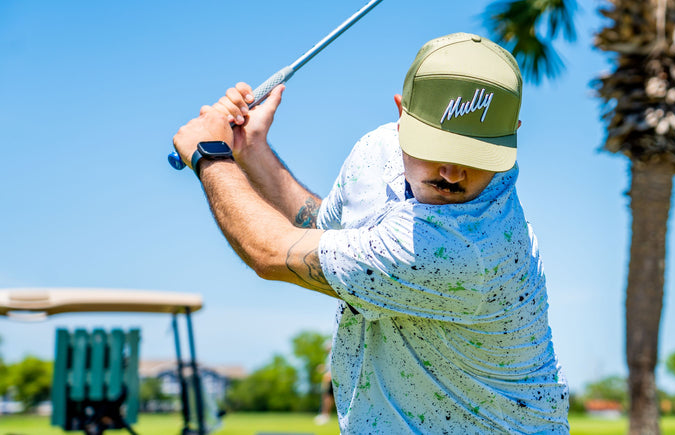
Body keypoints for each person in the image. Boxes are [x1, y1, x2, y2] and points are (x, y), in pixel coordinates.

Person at [172, 32, 569, 434]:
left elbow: (273, 252)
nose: (451, 174)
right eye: (435, 146)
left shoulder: (465, 248)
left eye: (474, 154)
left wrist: (211, 156)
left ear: (513, 133)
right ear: (401, 115)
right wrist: (251, 149)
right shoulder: (375, 152)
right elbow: (317, 234)